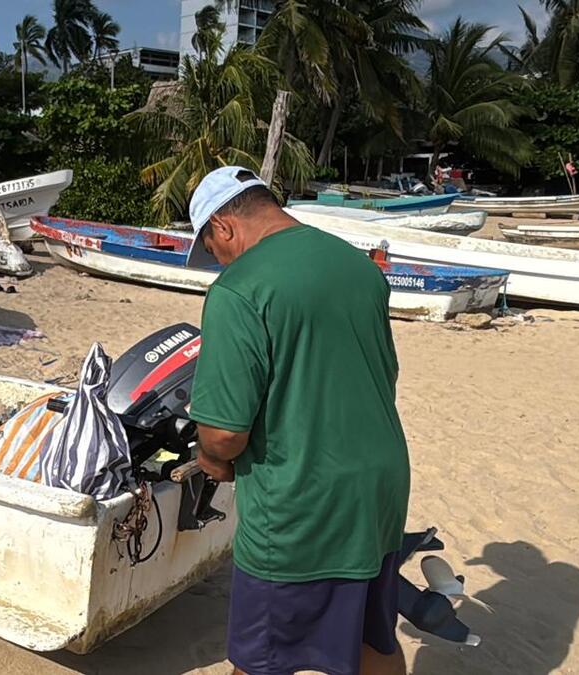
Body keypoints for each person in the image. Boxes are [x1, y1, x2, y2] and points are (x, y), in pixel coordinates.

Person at [186, 166, 411, 675]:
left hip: (301, 500)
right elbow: (376, 375)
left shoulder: (238, 289)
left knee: (259, 657)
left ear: (224, 226)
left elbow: (224, 431)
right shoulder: (357, 266)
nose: (214, 262)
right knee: (373, 638)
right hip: (379, 489)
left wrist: (210, 458)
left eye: (209, 249)